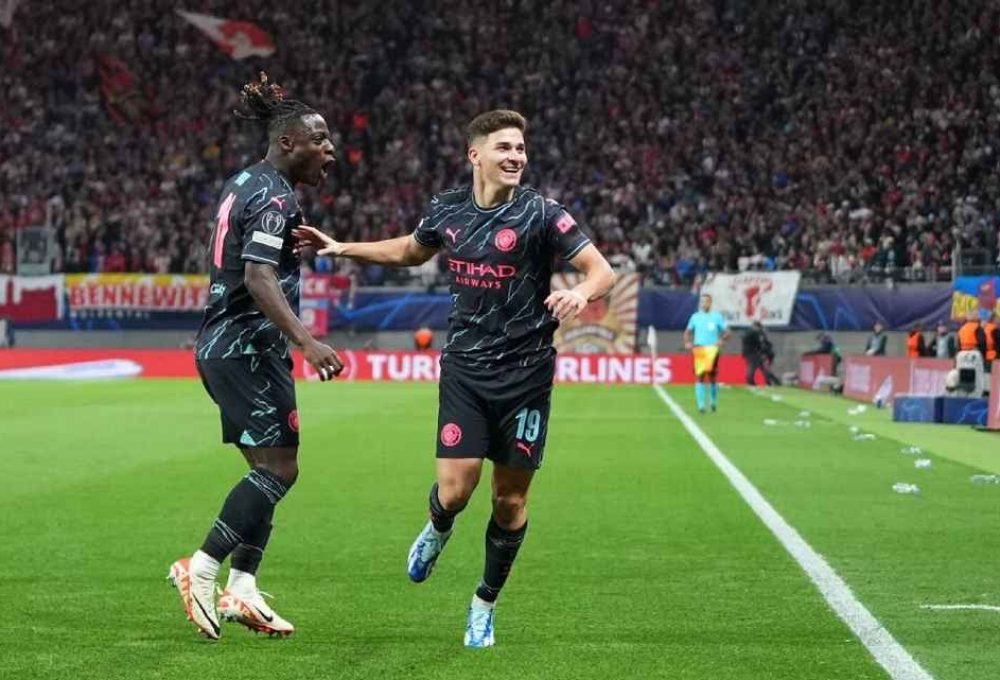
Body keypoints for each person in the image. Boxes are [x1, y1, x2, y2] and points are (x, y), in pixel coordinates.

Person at [294, 109, 615, 647]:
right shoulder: (447, 210)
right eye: (504, 148)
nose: (516, 156)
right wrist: (342, 246)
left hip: (527, 375)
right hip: (465, 370)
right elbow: (409, 250)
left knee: (508, 503)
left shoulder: (542, 212)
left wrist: (580, 294)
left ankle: (483, 604)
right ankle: (438, 528)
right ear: (476, 155)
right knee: (455, 490)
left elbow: (601, 269)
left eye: (520, 148)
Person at [167, 73, 344, 641]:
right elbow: (258, 274)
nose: (331, 150)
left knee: (269, 471)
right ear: (288, 142)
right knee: (279, 469)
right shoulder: (274, 195)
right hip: (246, 347)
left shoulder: (244, 181)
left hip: (230, 344)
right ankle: (202, 568)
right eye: (320, 140)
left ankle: (242, 588)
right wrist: (307, 340)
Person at [683, 293, 730, 412]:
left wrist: (721, 340)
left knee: (712, 377)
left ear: (710, 303)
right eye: (703, 301)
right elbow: (687, 331)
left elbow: (727, 332)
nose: (704, 303)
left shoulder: (717, 317)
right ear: (700, 303)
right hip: (699, 348)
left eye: (707, 301)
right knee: (700, 376)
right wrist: (687, 342)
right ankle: (701, 405)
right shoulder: (695, 317)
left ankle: (713, 402)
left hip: (712, 349)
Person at [741, 320, 779, 386]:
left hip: (750, 353)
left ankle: (752, 382)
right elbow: (761, 343)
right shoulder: (756, 332)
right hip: (755, 353)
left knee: (759, 367)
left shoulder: (748, 332)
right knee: (759, 368)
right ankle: (773, 382)